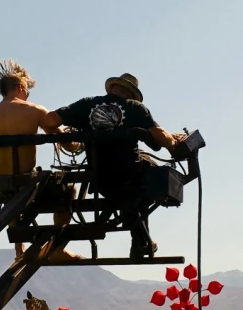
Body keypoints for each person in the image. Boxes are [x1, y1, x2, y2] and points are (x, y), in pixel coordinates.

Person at [42, 73, 184, 258]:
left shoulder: (87, 104)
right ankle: (141, 241)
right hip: (130, 176)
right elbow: (159, 134)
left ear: (111, 88)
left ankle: (141, 241)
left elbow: (50, 120)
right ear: (132, 94)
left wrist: (68, 141)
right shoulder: (134, 108)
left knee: (132, 193)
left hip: (100, 179)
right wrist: (174, 143)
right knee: (158, 180)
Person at [0, 59, 81, 262]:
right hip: (27, 185)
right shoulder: (34, 110)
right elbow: (66, 143)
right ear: (20, 87)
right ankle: (57, 247)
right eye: (27, 91)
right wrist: (79, 144)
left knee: (11, 196)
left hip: (0, 188)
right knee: (68, 190)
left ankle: (19, 252)